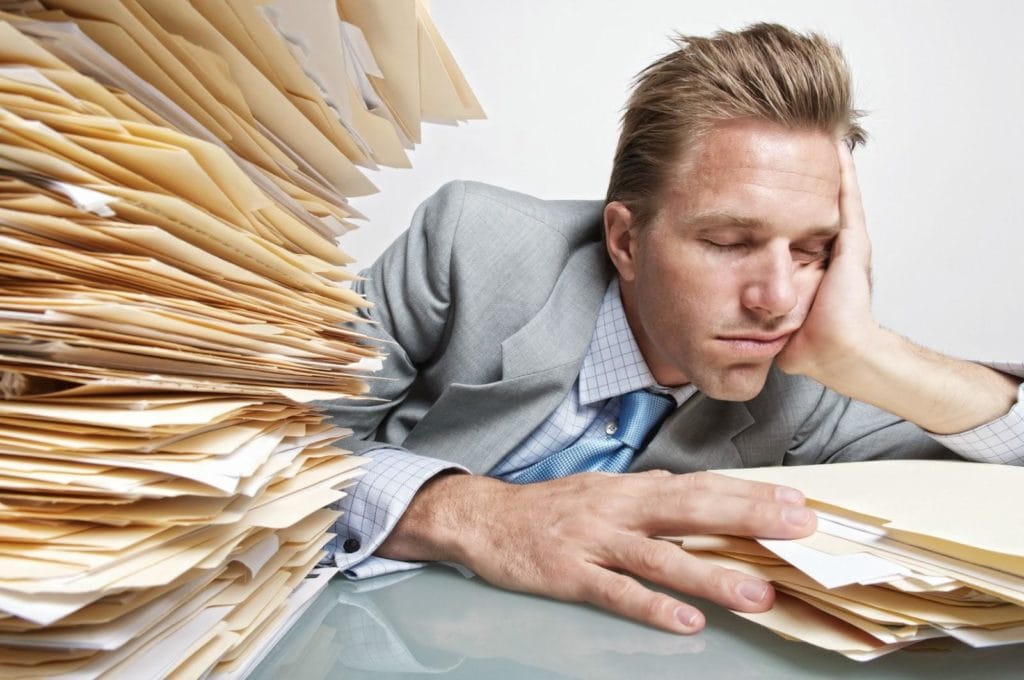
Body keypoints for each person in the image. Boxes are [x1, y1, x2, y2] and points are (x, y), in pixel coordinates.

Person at [320, 23, 1024, 634]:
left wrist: (875, 353)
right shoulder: (472, 246)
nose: (777, 298)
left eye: (811, 250)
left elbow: (994, 506)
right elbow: (251, 435)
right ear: (625, 241)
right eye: (728, 241)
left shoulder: (811, 382)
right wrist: (472, 514)